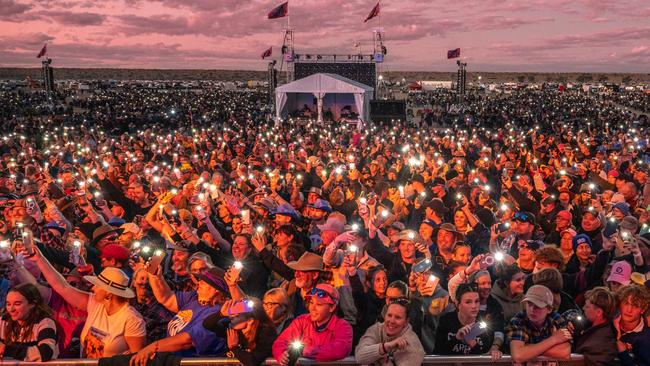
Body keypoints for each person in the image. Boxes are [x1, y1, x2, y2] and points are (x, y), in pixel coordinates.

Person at [26, 246, 146, 358]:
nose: (93, 288)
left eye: (98, 286)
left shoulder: (132, 319)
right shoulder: (96, 305)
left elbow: (136, 358)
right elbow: (62, 287)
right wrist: (39, 259)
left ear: (109, 293)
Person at [272, 284, 353, 364]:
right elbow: (280, 342)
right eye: (311, 302)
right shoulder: (302, 321)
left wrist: (309, 350)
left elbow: (341, 349)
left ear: (332, 307)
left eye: (319, 304)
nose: (312, 308)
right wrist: (281, 354)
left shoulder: (342, 326)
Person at [506, 285, 572, 363]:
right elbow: (518, 356)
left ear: (549, 309)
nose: (532, 309)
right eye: (529, 303)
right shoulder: (518, 320)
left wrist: (528, 350)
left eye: (537, 306)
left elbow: (565, 353)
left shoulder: (556, 320)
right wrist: (554, 339)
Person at [203, 298, 276, 366]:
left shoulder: (266, 333)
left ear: (250, 320)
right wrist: (220, 314)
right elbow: (207, 324)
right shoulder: (233, 329)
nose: (231, 317)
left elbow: (253, 361)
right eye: (231, 315)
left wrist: (234, 348)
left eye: (237, 316)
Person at [355, 298, 425, 366]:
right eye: (389, 315)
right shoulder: (376, 329)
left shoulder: (412, 342)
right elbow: (360, 357)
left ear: (406, 322)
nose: (391, 321)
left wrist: (385, 363)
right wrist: (385, 347)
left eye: (398, 317)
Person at [434, 283, 497, 357]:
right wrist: (457, 338)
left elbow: (485, 356)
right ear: (458, 304)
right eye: (468, 302)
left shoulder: (485, 321)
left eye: (477, 301)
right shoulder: (446, 321)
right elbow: (438, 352)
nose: (474, 306)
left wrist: (472, 343)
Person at [0, 284, 59, 361]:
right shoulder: (3, 321)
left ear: (32, 304)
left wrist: (5, 349)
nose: (11, 309)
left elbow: (45, 353)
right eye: (8, 304)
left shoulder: (45, 322)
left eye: (17, 304)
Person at [572, 287, 618, 366]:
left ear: (599, 312)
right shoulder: (593, 329)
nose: (583, 308)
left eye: (587, 306)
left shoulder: (601, 341)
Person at [614, 284, 650, 366]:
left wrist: (622, 350)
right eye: (626, 303)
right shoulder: (607, 325)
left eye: (636, 306)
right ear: (619, 304)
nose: (629, 310)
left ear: (643, 309)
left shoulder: (646, 338)